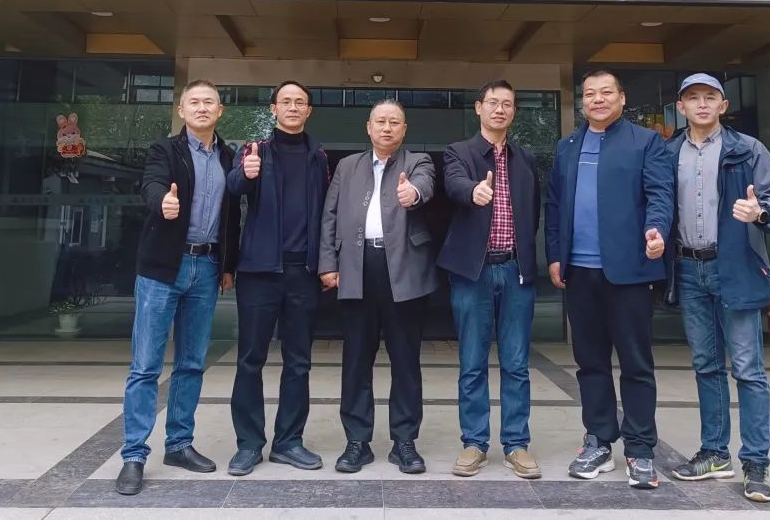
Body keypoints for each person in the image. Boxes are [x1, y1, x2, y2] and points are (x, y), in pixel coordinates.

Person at [666, 73, 770, 503]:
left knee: (748, 368)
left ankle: (756, 462)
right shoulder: (669, 153)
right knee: (706, 365)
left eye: (710, 97)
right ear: (681, 107)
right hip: (689, 268)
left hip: (735, 266)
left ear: (723, 105)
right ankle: (714, 453)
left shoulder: (748, 150)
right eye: (693, 98)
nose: (701, 104)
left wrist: (760, 212)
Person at [546, 69, 674, 490]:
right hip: (579, 272)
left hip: (629, 272)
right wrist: (554, 256)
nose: (597, 100)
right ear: (582, 101)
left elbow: (660, 194)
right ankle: (599, 440)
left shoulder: (646, 141)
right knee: (590, 363)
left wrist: (656, 230)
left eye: (606, 93)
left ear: (622, 98)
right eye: (589, 94)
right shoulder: (567, 146)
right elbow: (554, 206)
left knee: (636, 363)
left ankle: (640, 449)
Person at [115, 79, 240, 496]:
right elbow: (151, 185)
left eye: (209, 102)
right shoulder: (164, 150)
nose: (202, 108)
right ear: (182, 110)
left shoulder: (228, 156)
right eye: (194, 102)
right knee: (146, 366)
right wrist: (162, 202)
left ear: (220, 111)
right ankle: (134, 455)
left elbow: (232, 216)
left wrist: (228, 265)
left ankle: (179, 444)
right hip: (162, 269)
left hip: (206, 267)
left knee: (191, 363)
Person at [319, 100, 438, 474]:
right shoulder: (347, 166)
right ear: (368, 127)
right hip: (357, 268)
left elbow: (424, 186)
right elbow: (330, 215)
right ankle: (357, 441)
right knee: (356, 359)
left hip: (403, 270)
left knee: (405, 360)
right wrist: (328, 263)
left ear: (404, 129)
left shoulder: (417, 161)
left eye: (394, 122)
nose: (387, 128)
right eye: (381, 122)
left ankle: (405, 441)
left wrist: (412, 194)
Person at [437, 80, 542, 480]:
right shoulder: (459, 152)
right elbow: (453, 184)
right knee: (472, 362)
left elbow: (533, 212)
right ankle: (474, 443)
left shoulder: (526, 158)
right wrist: (473, 192)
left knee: (516, 363)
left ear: (514, 111)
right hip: (473, 272)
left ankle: (516, 444)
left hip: (516, 270)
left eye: (508, 104)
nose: (500, 109)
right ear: (478, 107)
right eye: (493, 102)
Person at [225, 80, 330, 476]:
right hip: (258, 272)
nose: (292, 107)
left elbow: (327, 212)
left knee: (298, 362)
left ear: (309, 111)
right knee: (250, 360)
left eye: (300, 102)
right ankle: (249, 444)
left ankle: (289, 442)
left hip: (303, 272)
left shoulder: (318, 156)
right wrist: (245, 173)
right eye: (285, 101)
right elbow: (233, 189)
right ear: (273, 109)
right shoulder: (254, 151)